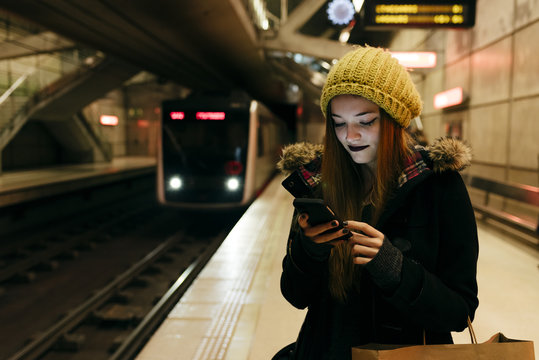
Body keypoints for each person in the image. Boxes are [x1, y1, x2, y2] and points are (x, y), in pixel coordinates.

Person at [275, 45, 479, 359]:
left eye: (365, 121)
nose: (350, 137)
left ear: (395, 121)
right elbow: (294, 295)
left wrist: (394, 269)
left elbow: (459, 312)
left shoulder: (438, 185)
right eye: (339, 123)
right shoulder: (318, 184)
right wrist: (310, 251)